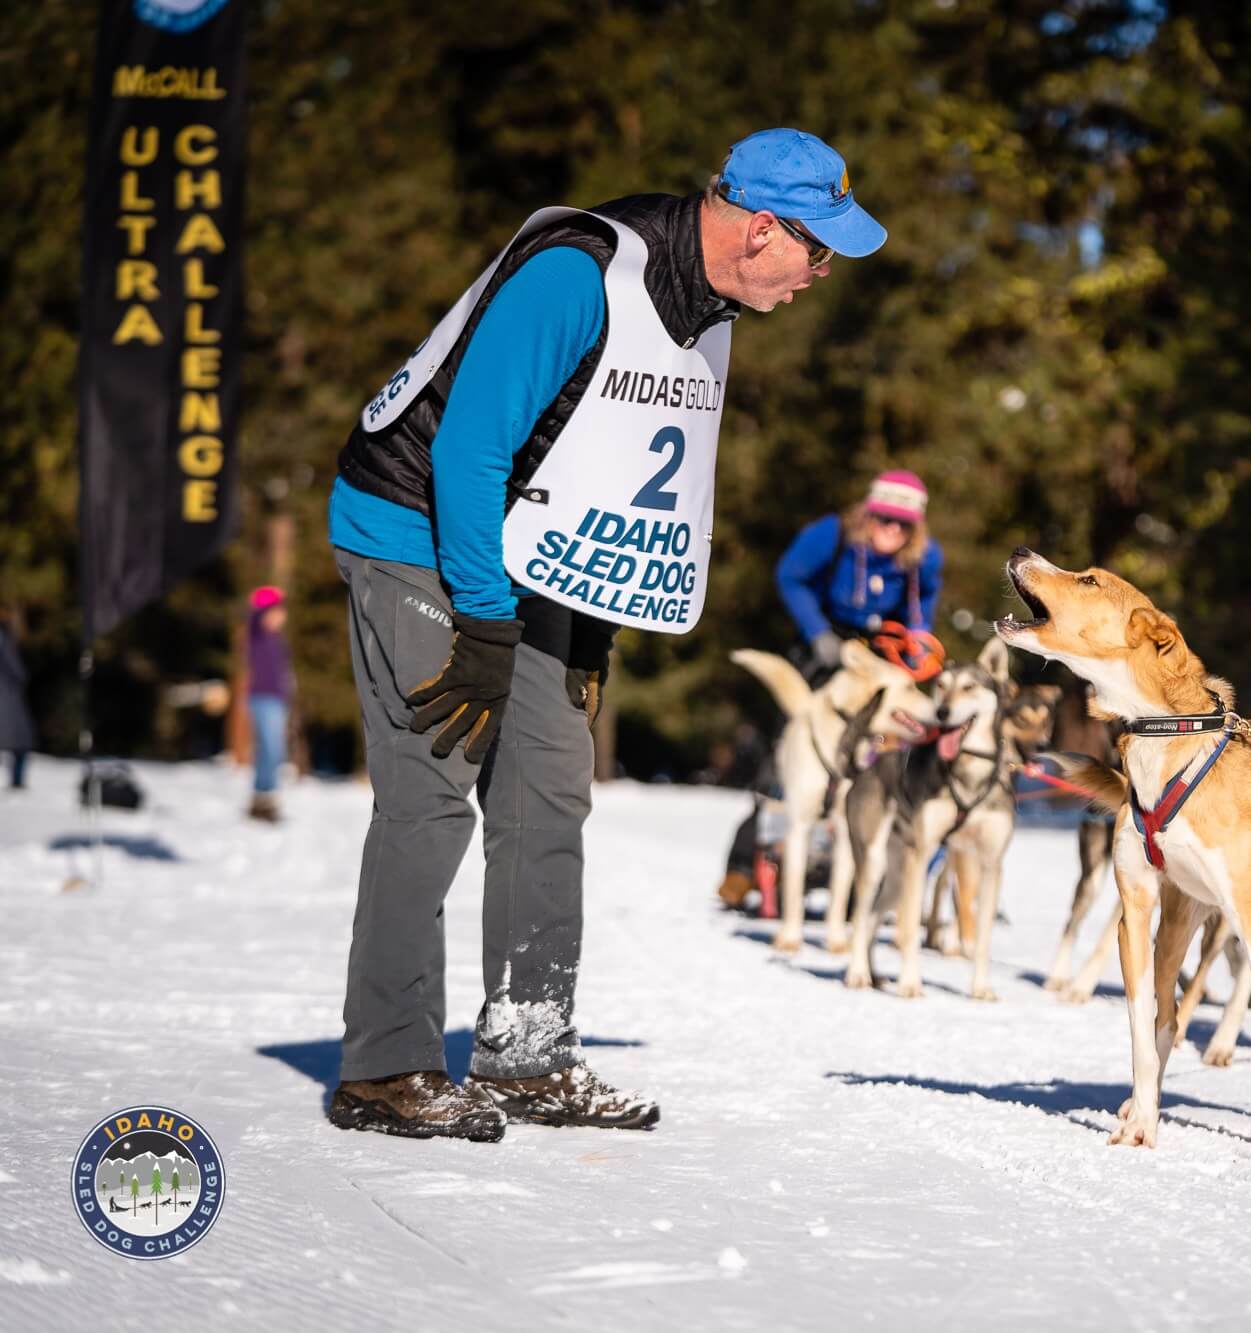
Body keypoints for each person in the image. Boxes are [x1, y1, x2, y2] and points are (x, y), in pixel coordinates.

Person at [323, 128, 885, 1141]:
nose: (819, 275)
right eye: (818, 249)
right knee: (433, 783)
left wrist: (587, 633)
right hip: (413, 521)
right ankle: (385, 1065)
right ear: (761, 227)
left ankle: (527, 1058)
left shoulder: (707, 308)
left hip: (521, 543)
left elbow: (608, 479)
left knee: (550, 779)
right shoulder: (577, 277)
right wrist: (487, 625)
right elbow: (469, 451)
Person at [775, 469, 942, 680]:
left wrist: (918, 635)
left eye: (905, 523)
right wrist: (817, 631)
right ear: (869, 514)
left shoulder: (925, 556)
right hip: (824, 638)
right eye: (886, 518)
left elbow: (923, 600)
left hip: (879, 648)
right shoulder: (832, 534)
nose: (894, 528)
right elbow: (790, 578)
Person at [244, 586, 292, 821]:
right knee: (272, 750)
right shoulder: (257, 634)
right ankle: (264, 797)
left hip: (277, 700)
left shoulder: (277, 639)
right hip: (262, 698)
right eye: (276, 612)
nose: (281, 617)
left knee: (270, 751)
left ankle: (261, 800)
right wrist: (270, 597)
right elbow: (253, 615)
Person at [0, 608, 31, 791]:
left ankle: (17, 780)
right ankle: (17, 780)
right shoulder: (5, 643)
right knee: (20, 742)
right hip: (7, 699)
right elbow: (19, 673)